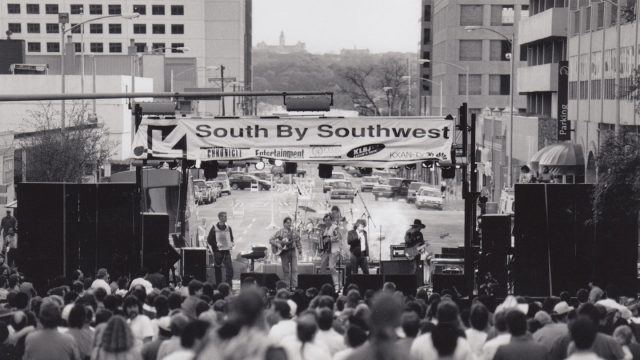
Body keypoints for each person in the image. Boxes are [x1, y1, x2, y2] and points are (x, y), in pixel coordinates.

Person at [269, 217, 302, 289]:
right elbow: (270, 240)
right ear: (284, 223)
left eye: (290, 222)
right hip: (284, 252)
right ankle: (287, 287)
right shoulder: (280, 231)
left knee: (294, 270)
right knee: (286, 270)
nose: (289, 224)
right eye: (287, 222)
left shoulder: (294, 232)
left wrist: (300, 250)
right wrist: (278, 245)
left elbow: (298, 241)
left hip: (292, 251)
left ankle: (294, 287)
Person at [207, 211, 235, 285]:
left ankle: (228, 284)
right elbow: (209, 240)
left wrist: (232, 243)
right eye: (224, 216)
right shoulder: (214, 228)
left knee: (230, 268)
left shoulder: (229, 228)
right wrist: (216, 246)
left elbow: (231, 238)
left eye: (226, 216)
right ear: (219, 217)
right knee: (218, 268)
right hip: (218, 252)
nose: (226, 218)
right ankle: (219, 284)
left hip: (226, 251)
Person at [318, 214, 341, 288]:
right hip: (326, 251)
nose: (327, 221)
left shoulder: (335, 227)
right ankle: (323, 284)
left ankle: (337, 285)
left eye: (329, 220)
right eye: (326, 220)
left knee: (331, 267)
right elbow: (324, 241)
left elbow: (338, 237)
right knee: (322, 267)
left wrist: (329, 239)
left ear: (331, 220)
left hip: (334, 250)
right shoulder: (326, 229)